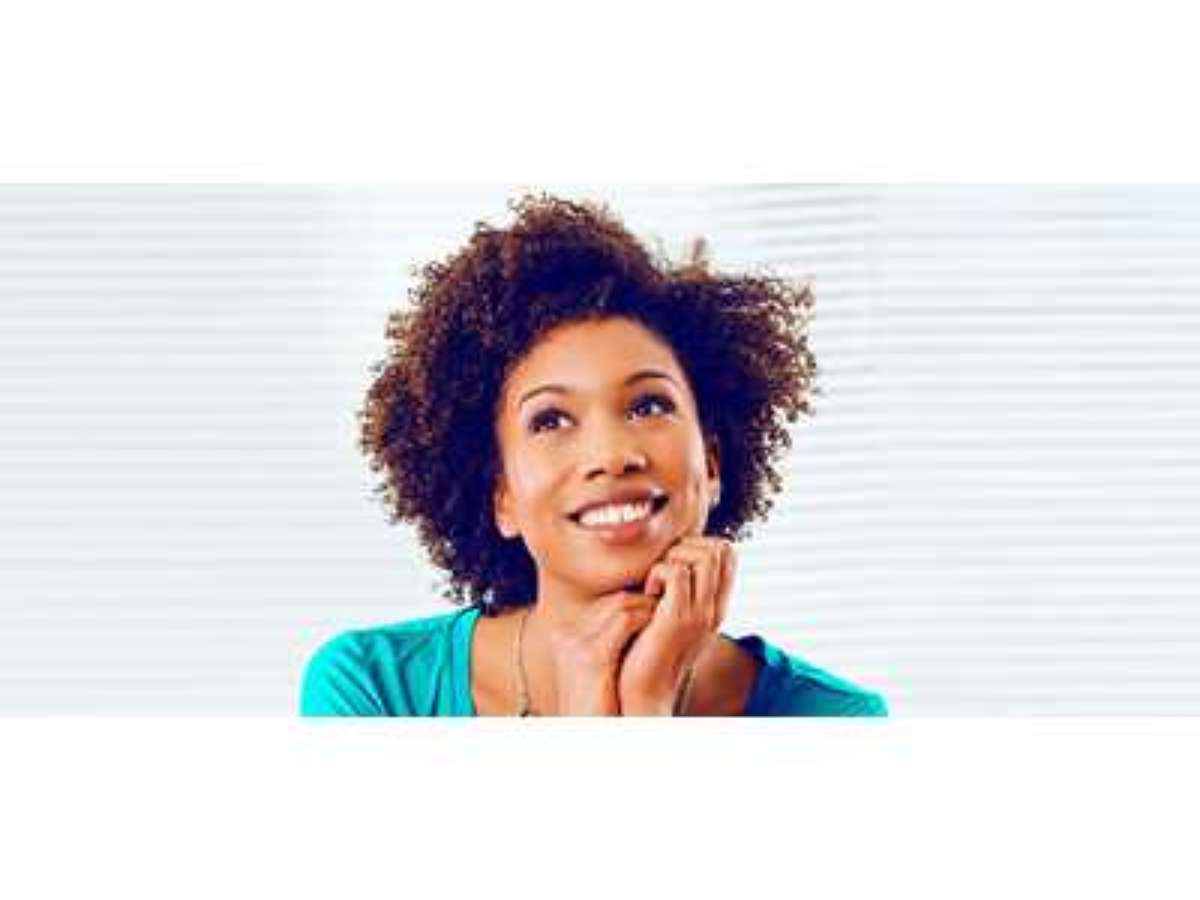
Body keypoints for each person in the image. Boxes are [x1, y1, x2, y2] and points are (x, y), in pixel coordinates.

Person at [300, 193, 888, 717]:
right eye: (551, 420)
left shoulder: (838, 719)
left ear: (711, 464)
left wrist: (648, 700)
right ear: (502, 496)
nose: (611, 455)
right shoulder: (370, 689)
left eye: (648, 406)